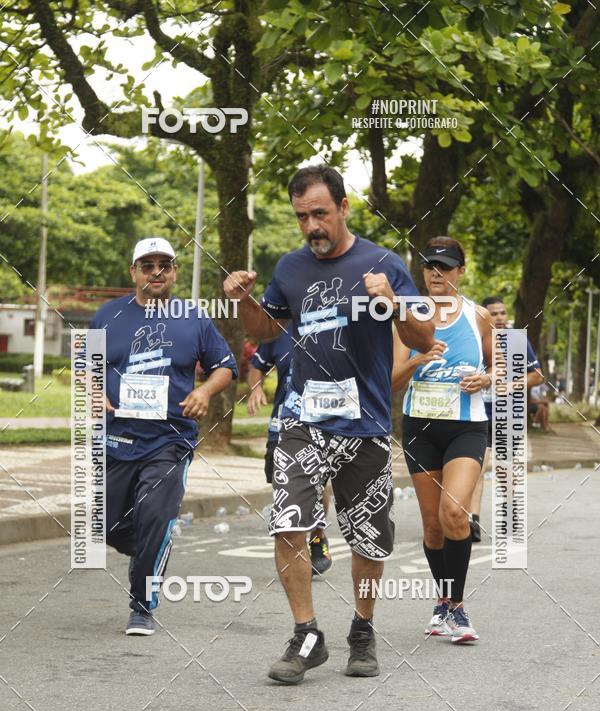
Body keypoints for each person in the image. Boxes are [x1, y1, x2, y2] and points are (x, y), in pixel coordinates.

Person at [223, 164, 433, 684]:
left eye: (320, 213)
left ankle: (362, 629)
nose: (311, 225)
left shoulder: (383, 262)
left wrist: (394, 302)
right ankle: (306, 634)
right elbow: (266, 329)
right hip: (302, 418)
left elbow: (424, 338)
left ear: (343, 208)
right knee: (288, 521)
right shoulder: (290, 268)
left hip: (364, 424)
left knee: (368, 540)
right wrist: (245, 299)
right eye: (301, 217)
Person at [91, 237, 237, 636]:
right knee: (100, 524)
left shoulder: (194, 318)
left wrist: (204, 391)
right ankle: (150, 550)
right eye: (147, 264)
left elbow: (225, 367)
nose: (157, 271)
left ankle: (142, 606)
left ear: (173, 272)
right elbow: (85, 368)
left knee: (155, 515)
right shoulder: (107, 316)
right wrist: (95, 390)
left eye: (165, 264)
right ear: (133, 271)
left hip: (170, 441)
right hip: (116, 439)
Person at [395, 236, 493, 644]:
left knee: (455, 514)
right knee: (433, 527)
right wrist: (418, 359)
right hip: (420, 427)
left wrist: (487, 378)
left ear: (461, 272)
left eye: (446, 267)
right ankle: (443, 602)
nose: (437, 273)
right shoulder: (405, 318)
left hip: (466, 426)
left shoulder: (480, 316)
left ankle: (456, 607)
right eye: (430, 266)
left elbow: (502, 366)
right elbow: (392, 382)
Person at [247, 327, 333, 575]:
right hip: (281, 424)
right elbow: (256, 369)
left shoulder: (330, 327)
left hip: (321, 421)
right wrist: (256, 388)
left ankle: (317, 535)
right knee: (283, 484)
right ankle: (294, 540)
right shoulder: (275, 332)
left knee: (316, 484)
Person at [469, 295, 543, 541]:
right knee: (477, 469)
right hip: (478, 414)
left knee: (504, 469)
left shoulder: (516, 340)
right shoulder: (474, 340)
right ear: (484, 316)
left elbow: (537, 376)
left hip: (508, 415)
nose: (499, 318)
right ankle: (473, 522)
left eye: (502, 313)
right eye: (494, 313)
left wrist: (511, 385)